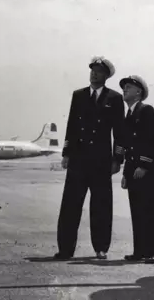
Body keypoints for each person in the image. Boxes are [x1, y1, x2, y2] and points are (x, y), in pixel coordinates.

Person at [54, 56, 125, 260]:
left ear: (106, 76)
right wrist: (66, 154)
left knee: (101, 206)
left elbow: (120, 132)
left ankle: (101, 248)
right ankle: (65, 249)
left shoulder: (114, 98)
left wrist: (117, 159)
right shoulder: (79, 95)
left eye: (99, 71)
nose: (94, 74)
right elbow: (71, 128)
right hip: (78, 159)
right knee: (70, 205)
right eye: (92, 70)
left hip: (101, 161)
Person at [119, 74, 154, 264]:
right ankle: (140, 250)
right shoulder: (129, 114)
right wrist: (126, 173)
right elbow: (127, 146)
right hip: (133, 171)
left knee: (151, 211)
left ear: (139, 91)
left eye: (128, 87)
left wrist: (143, 165)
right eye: (124, 87)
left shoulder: (147, 111)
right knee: (137, 211)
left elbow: (151, 141)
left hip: (147, 170)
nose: (124, 90)